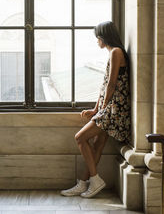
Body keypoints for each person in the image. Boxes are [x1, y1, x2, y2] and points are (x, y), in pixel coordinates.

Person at [60, 21, 131, 198]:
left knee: (80, 138)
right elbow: (104, 85)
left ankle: (95, 179)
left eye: (97, 38)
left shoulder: (116, 52)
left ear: (103, 37)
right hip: (111, 107)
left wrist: (102, 109)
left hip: (115, 109)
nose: (97, 41)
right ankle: (83, 183)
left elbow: (112, 84)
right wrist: (95, 109)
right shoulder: (114, 53)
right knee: (98, 146)